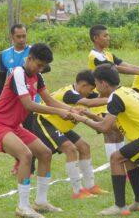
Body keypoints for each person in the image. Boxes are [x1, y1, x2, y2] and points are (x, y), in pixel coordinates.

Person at [0, 43, 82, 218]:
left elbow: (50, 100)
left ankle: (41, 202)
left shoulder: (38, 76)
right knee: (26, 155)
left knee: (45, 153)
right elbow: (29, 104)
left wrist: (71, 109)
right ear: (29, 58)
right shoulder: (18, 73)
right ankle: (22, 207)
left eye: (43, 66)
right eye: (39, 65)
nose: (40, 69)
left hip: (13, 127)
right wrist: (61, 112)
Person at [71, 64, 139, 216]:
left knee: (116, 158)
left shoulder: (115, 98)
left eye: (96, 84)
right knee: (129, 160)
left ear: (104, 83)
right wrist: (89, 115)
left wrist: (81, 119)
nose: (95, 88)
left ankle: (120, 206)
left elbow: (105, 128)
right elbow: (114, 126)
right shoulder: (126, 92)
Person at [32, 70, 108, 199]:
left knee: (84, 147)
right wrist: (113, 99)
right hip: (45, 121)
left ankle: (90, 187)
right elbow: (90, 103)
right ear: (83, 85)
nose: (91, 93)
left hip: (60, 125)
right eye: (90, 89)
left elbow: (97, 98)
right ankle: (77, 191)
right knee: (70, 149)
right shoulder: (70, 94)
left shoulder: (82, 92)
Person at [88, 24, 139, 162]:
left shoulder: (108, 54)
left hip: (111, 96)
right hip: (100, 97)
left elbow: (125, 64)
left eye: (108, 35)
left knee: (118, 132)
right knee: (109, 132)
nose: (108, 38)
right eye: (105, 35)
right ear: (95, 38)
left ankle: (121, 162)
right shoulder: (95, 56)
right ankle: (115, 164)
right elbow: (117, 68)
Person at [0, 24, 50, 175]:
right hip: (12, 103)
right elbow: (1, 79)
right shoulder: (4, 55)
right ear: (12, 37)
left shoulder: (33, 52)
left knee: (31, 133)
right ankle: (21, 162)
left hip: (30, 102)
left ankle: (29, 168)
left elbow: (44, 69)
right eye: (19, 36)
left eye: (24, 35)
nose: (22, 39)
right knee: (13, 135)